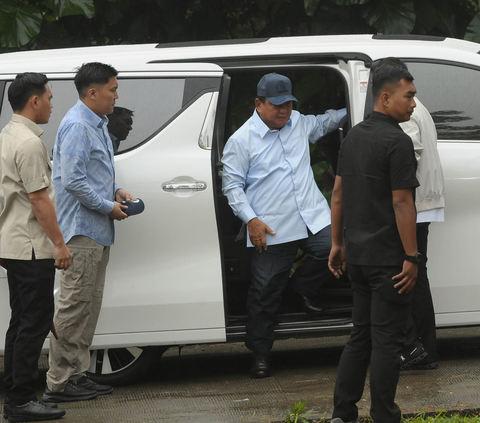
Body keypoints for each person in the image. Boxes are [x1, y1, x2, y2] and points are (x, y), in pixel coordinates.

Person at [221, 72, 346, 378]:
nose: (284, 111)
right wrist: (251, 220)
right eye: (276, 105)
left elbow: (329, 121)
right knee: (264, 290)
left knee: (332, 248)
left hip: (312, 216)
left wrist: (362, 104)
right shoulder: (241, 140)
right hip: (270, 226)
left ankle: (299, 290)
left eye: (288, 104)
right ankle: (261, 352)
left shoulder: (300, 123)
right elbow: (232, 187)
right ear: (258, 104)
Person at [328, 64, 419, 422]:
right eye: (408, 95)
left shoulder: (353, 136)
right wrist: (412, 256)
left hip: (360, 258)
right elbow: (402, 202)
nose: (413, 103)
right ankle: (384, 415)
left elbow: (338, 194)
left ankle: (343, 412)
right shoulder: (397, 141)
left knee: (360, 336)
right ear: (385, 97)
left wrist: (338, 243)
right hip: (389, 262)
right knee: (386, 341)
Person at [43, 62, 134, 403]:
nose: (116, 95)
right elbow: (73, 180)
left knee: (87, 307)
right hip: (81, 231)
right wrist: (107, 206)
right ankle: (59, 383)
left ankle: (77, 375)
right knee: (73, 307)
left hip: (96, 230)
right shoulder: (78, 125)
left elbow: (95, 173)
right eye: (112, 89)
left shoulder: (96, 123)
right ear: (92, 92)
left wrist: (116, 191)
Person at [0, 73, 71, 422]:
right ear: (35, 101)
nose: (52, 104)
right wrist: (59, 244)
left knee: (22, 320)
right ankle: (21, 400)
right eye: (50, 97)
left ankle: (16, 397)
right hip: (30, 246)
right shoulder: (28, 143)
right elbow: (39, 200)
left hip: (13, 243)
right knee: (35, 321)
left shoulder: (7, 134)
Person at [381, 59, 445, 371]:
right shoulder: (418, 106)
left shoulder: (405, 111)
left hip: (412, 204)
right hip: (422, 202)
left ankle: (419, 350)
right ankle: (425, 350)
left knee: (410, 277)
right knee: (417, 276)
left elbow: (405, 154)